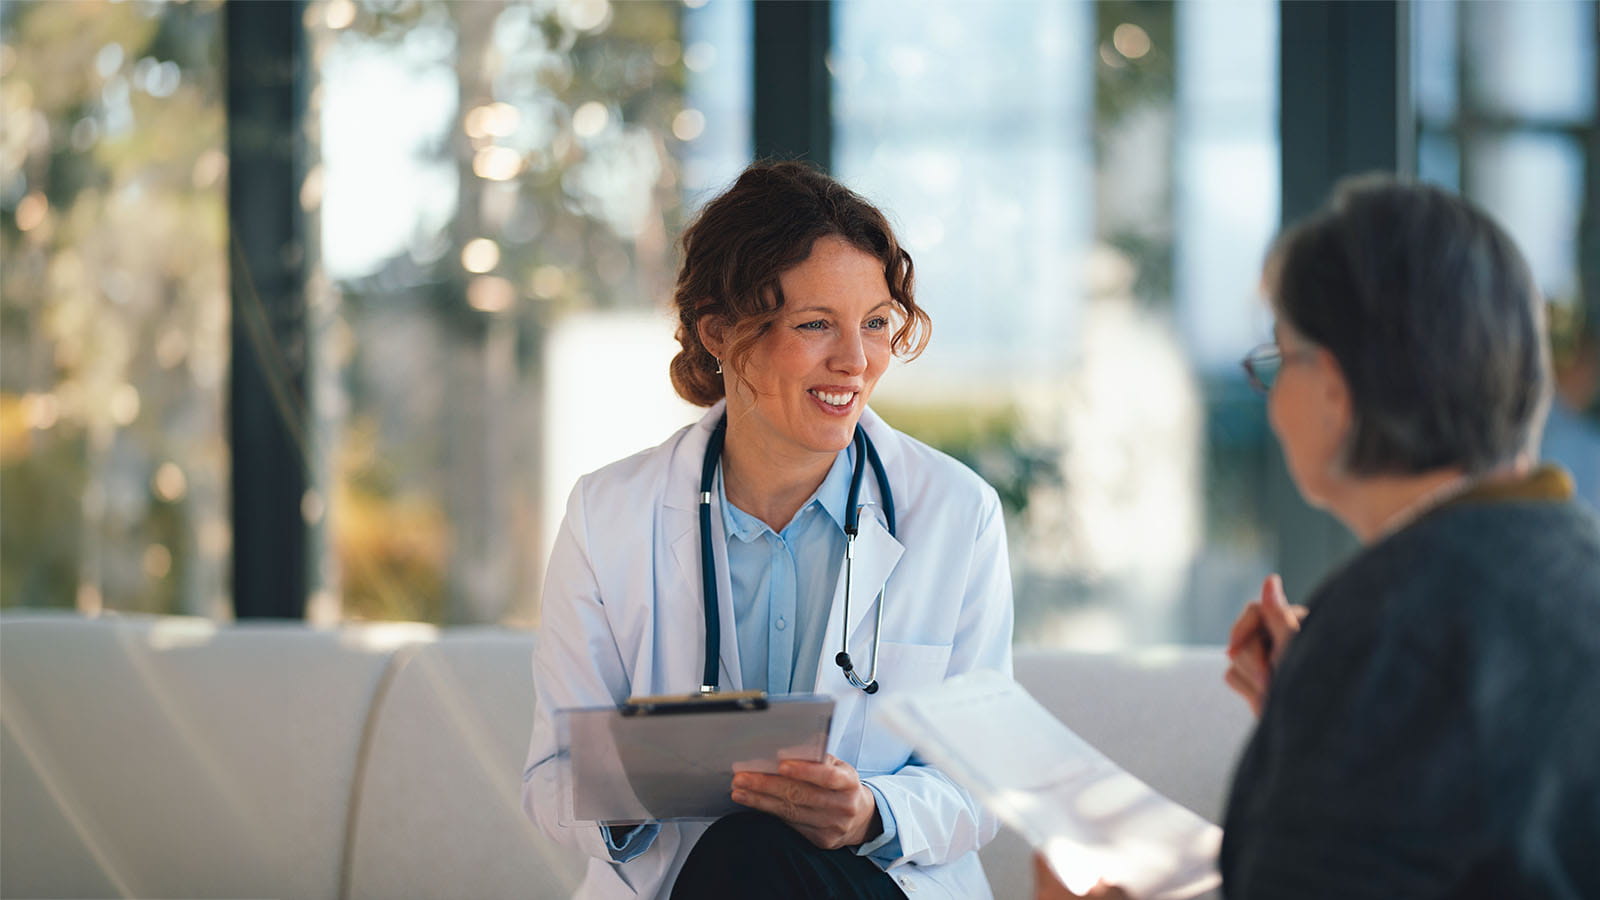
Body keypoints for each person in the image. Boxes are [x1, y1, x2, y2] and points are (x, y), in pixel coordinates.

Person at [1039, 176, 1600, 899]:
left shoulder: (1385, 632)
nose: (1271, 400)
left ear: (1334, 388)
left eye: (1277, 358)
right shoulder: (1571, 564)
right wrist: (1321, 724)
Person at [523, 161, 1015, 900]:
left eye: (876, 324)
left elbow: (979, 782)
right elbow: (551, 778)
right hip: (686, 881)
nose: (855, 361)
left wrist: (867, 812)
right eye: (816, 324)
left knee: (757, 856)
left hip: (874, 883)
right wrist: (641, 786)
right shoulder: (608, 515)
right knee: (744, 852)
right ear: (720, 331)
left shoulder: (956, 513)